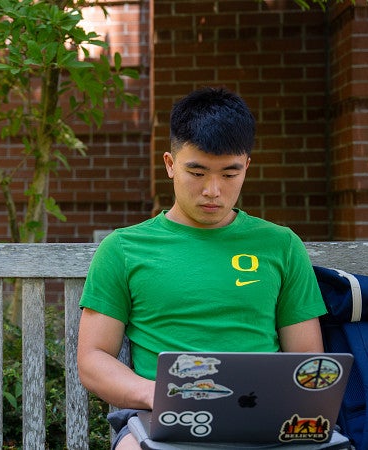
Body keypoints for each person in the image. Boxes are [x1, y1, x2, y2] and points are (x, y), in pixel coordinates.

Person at [76, 86, 327, 450]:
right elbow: (93, 359)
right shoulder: (123, 250)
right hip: (164, 418)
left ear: (246, 168)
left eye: (229, 174)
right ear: (170, 165)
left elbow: (306, 362)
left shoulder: (281, 245)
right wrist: (156, 395)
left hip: (262, 418)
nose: (213, 190)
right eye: (197, 172)